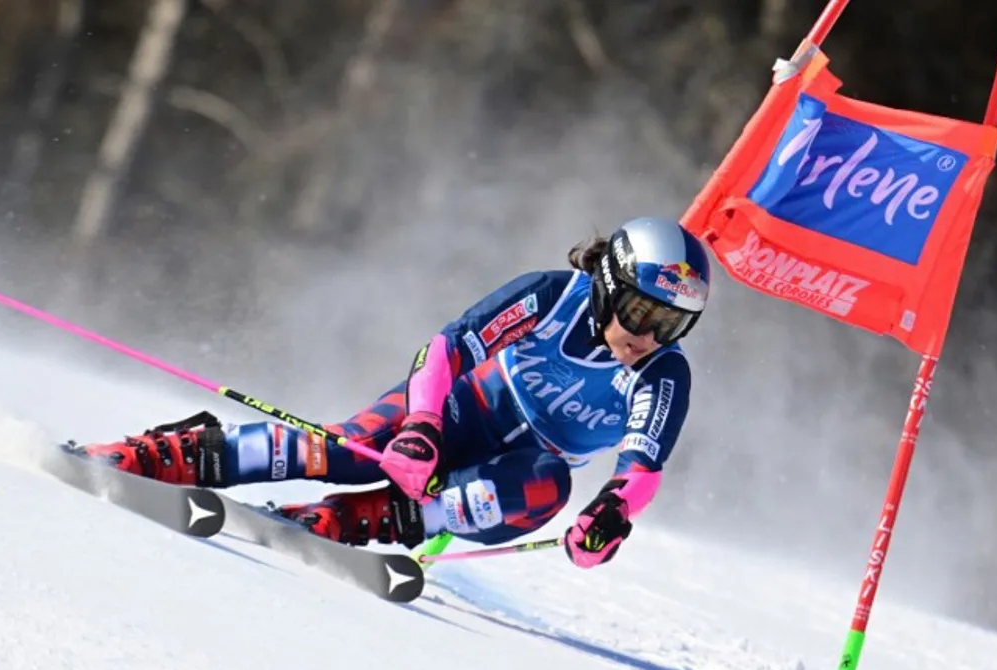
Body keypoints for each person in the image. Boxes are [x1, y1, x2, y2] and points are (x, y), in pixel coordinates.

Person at [78, 216, 711, 569]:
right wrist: (422, 426)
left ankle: (348, 523)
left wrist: (610, 518)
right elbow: (445, 351)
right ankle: (177, 455)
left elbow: (641, 469)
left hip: (512, 473)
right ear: (607, 283)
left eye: (671, 324)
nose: (648, 334)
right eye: (639, 311)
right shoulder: (551, 297)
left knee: (548, 485)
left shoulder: (663, 373)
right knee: (353, 451)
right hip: (459, 411)